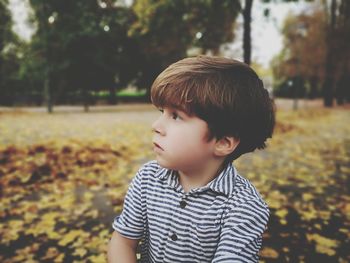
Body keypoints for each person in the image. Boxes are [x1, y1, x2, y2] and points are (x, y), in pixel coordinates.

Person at [107, 55, 275, 262]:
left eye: (176, 116)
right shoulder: (148, 179)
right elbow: (123, 240)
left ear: (223, 142)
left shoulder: (244, 207)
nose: (156, 126)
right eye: (162, 111)